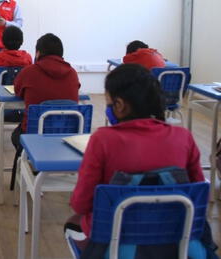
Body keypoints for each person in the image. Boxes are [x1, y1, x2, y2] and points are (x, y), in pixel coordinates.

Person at [67, 63, 204, 248]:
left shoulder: (103, 140)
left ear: (120, 105)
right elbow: (198, 195)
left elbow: (81, 204)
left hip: (115, 242)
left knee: (73, 223)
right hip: (174, 243)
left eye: (109, 102)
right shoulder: (184, 137)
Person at [12, 33, 80, 159]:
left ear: (38, 53)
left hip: (34, 135)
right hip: (69, 137)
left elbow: (17, 92)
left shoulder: (29, 72)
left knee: (16, 135)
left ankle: (28, 167)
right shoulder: (72, 73)